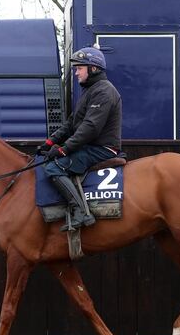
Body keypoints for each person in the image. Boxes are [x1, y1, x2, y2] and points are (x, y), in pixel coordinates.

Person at [37, 45, 122, 231]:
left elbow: (90, 128)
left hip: (101, 148)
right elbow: (71, 123)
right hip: (91, 145)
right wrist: (50, 142)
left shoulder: (104, 91)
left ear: (93, 69)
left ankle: (81, 211)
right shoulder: (90, 91)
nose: (76, 73)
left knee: (54, 166)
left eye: (79, 68)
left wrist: (63, 149)